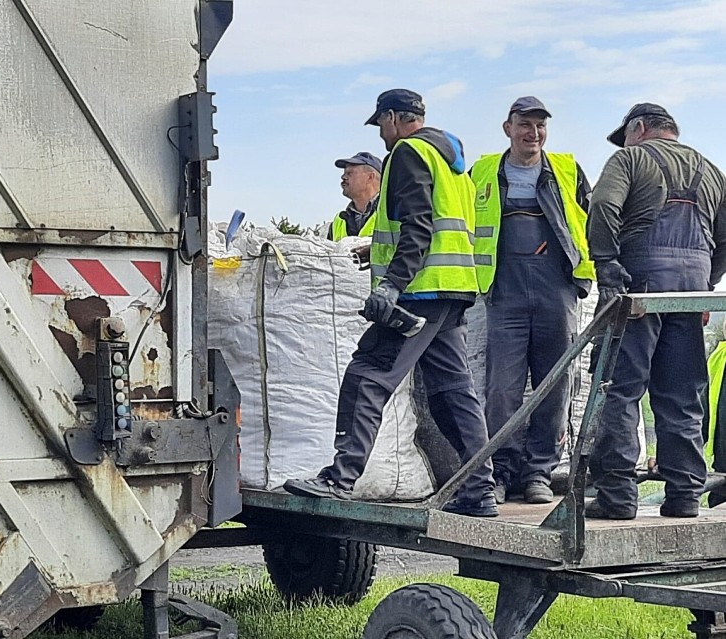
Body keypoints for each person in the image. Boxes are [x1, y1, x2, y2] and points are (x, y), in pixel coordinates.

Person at [284, 89, 497, 516]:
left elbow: (419, 226)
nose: (381, 134)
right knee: (453, 394)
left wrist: (392, 285)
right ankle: (480, 489)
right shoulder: (452, 161)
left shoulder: (408, 153)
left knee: (368, 375)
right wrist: (376, 254)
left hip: (419, 292)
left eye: (381, 123)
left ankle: (340, 478)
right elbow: (435, 226)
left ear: (396, 118)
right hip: (453, 290)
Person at [586, 103, 726, 519]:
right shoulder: (711, 169)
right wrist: (706, 281)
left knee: (619, 387)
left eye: (625, 134)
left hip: (638, 286)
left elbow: (604, 207)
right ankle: (684, 495)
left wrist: (607, 265)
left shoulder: (630, 158)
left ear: (639, 128)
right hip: (691, 290)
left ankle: (617, 496)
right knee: (682, 393)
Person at [470, 97, 594, 505]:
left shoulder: (567, 170)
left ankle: (539, 473)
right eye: (525, 124)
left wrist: (584, 277)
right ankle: (502, 471)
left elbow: (593, 221)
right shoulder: (484, 171)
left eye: (540, 125)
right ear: (507, 128)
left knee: (554, 383)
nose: (533, 133)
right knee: (502, 388)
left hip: (555, 288)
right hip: (504, 288)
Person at [328, 152, 382, 241]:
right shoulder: (339, 221)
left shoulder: (392, 212)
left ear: (370, 177)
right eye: (344, 173)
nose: (343, 177)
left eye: (350, 173)